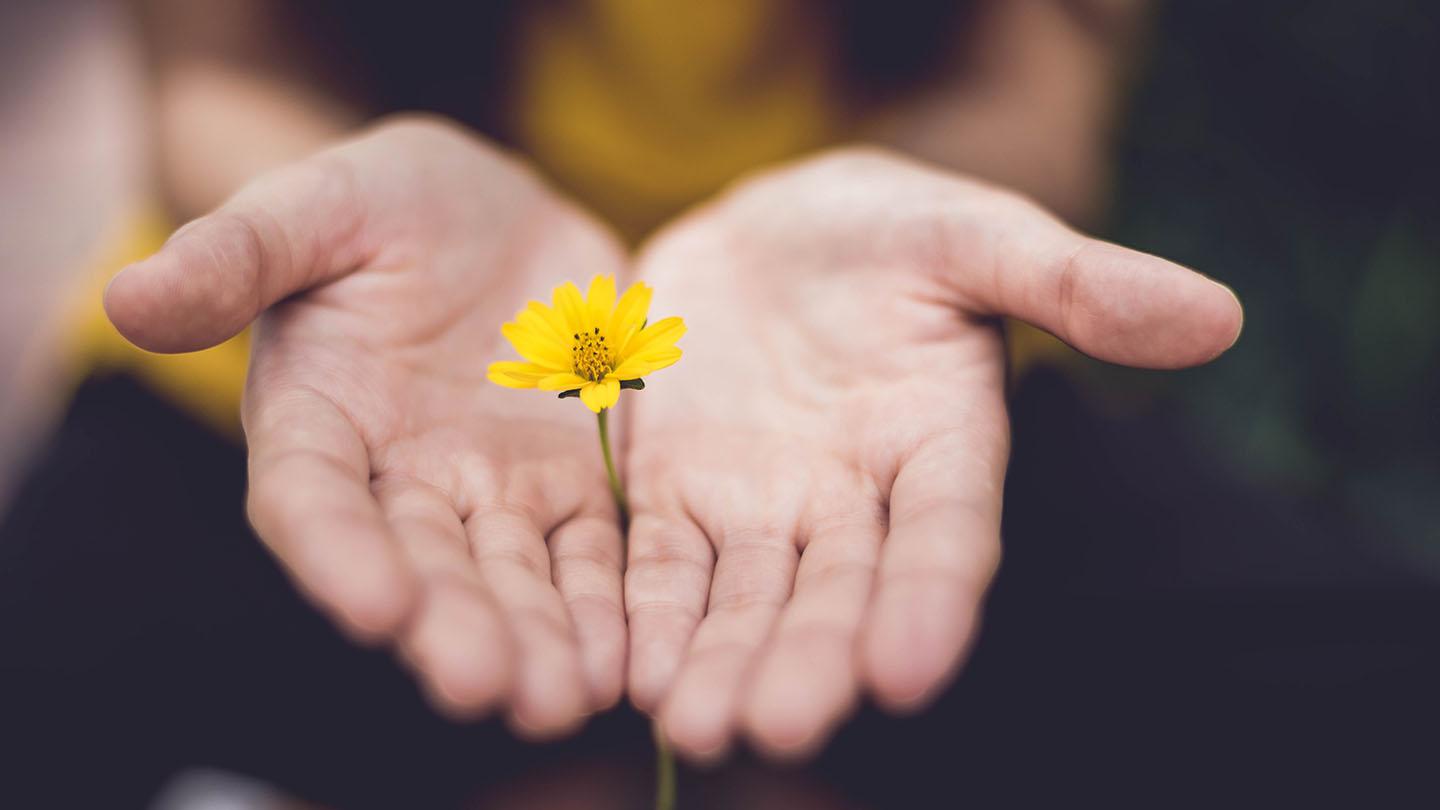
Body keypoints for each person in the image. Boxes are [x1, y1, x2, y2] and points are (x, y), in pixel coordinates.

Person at [4, 0, 1240, 799]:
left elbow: (1043, 69)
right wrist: (315, 200)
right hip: (347, 373)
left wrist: (911, 199)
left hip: (871, 390)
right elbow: (215, 59)